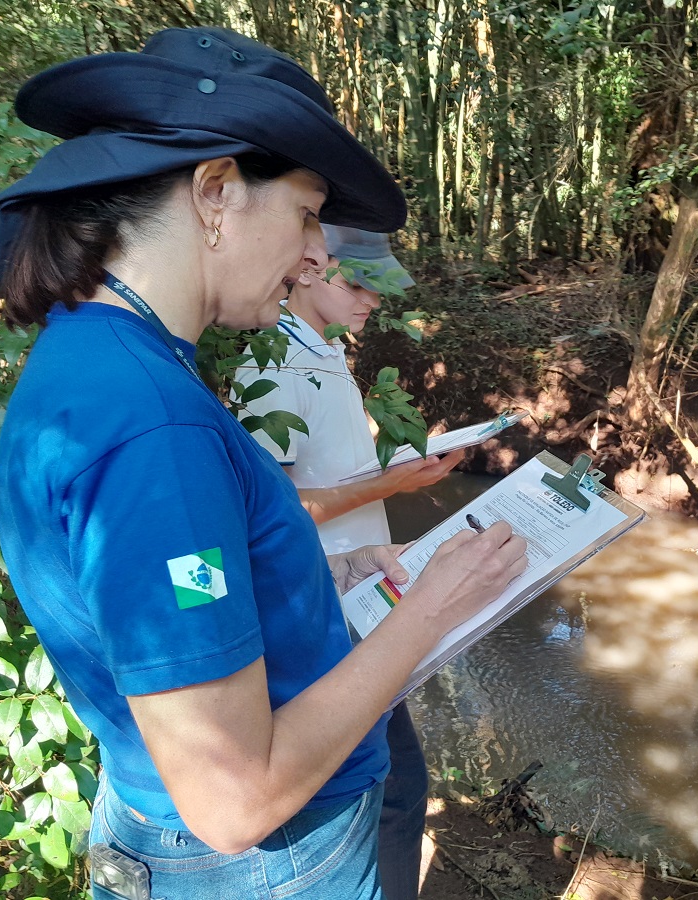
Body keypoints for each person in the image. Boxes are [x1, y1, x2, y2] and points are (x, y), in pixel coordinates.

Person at [0, 27, 527, 900]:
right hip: (263, 864)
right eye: (307, 213)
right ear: (215, 192)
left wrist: (318, 566)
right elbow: (234, 801)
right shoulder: (156, 427)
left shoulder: (98, 361)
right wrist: (429, 612)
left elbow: (154, 593)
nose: (317, 254)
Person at [234, 225, 461, 900]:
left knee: (391, 781)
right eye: (358, 283)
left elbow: (327, 477)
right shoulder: (269, 368)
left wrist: (394, 471)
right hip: (322, 609)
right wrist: (392, 485)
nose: (372, 301)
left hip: (361, 593)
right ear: (308, 270)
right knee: (383, 786)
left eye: (378, 287)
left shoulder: (324, 355)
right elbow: (274, 513)